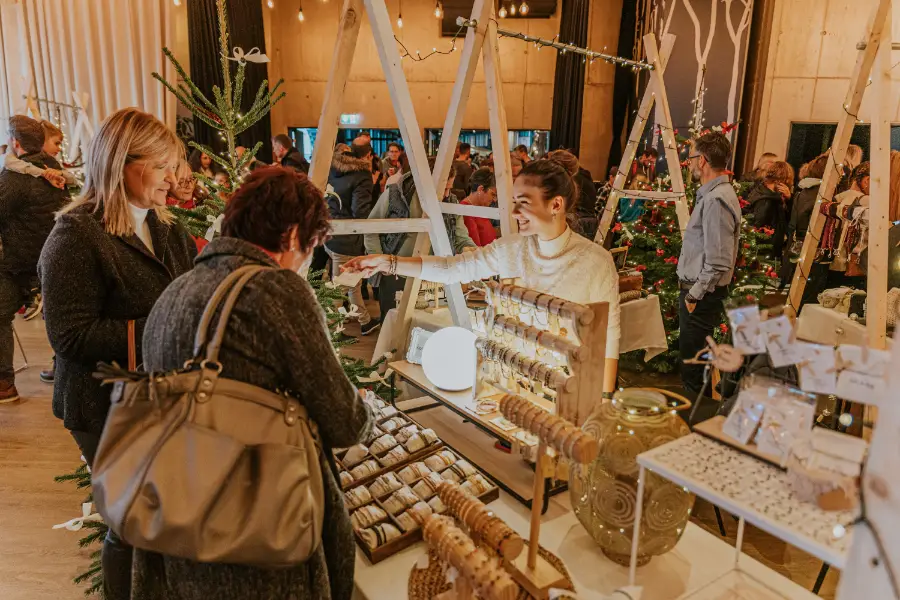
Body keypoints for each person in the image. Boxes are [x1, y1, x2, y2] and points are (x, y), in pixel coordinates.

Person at [130, 166, 372, 600]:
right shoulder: (275, 289)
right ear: (295, 235)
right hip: (258, 535)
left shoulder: (175, 292)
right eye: (312, 248)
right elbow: (345, 422)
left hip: (180, 521)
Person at [38, 108, 197, 599]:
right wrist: (164, 330)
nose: (173, 178)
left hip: (156, 397)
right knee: (129, 523)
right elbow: (70, 336)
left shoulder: (165, 227)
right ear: (121, 164)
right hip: (103, 404)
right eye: (162, 165)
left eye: (174, 165)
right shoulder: (75, 236)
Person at [350, 159, 620, 393]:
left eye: (523, 203)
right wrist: (388, 262)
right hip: (516, 381)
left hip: (569, 386)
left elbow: (607, 340)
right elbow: (453, 268)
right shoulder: (512, 248)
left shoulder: (596, 261)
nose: (514, 213)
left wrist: (603, 401)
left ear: (556, 204)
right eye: (513, 203)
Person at [0, 116, 69, 402]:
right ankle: (64, 371)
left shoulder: (14, 180)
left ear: (15, 143)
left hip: (17, 262)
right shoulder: (52, 169)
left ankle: (4, 384)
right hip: (49, 256)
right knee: (59, 315)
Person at [365, 158, 476, 319]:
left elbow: (461, 237)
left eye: (449, 188)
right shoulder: (395, 194)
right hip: (395, 273)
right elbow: (371, 228)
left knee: (428, 323)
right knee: (392, 324)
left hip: (434, 277)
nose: (446, 194)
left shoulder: (451, 201)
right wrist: (380, 261)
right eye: (442, 189)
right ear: (424, 183)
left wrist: (469, 250)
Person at [678, 132, 741, 400]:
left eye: (692, 158)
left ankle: (693, 423)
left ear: (702, 161)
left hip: (700, 295)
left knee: (693, 364)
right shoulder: (713, 195)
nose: (690, 164)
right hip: (699, 292)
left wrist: (694, 295)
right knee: (693, 359)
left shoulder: (716, 200)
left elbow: (718, 260)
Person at [326, 141, 378, 335]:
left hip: (332, 233)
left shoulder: (334, 168)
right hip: (348, 238)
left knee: (351, 281)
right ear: (368, 156)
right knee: (340, 287)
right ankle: (330, 331)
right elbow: (360, 210)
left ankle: (365, 321)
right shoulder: (362, 175)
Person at [786, 153, 829, 302]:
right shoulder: (822, 196)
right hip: (813, 251)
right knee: (808, 298)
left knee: (796, 296)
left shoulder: (802, 192)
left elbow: (793, 224)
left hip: (798, 247)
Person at [746, 160, 794, 259]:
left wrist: (789, 200)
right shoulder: (767, 201)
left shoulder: (762, 193)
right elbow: (758, 232)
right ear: (781, 182)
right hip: (764, 256)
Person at [461, 168, 498, 247]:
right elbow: (475, 248)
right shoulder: (467, 211)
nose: (495, 200)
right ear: (480, 189)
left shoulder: (479, 208)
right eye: (493, 194)